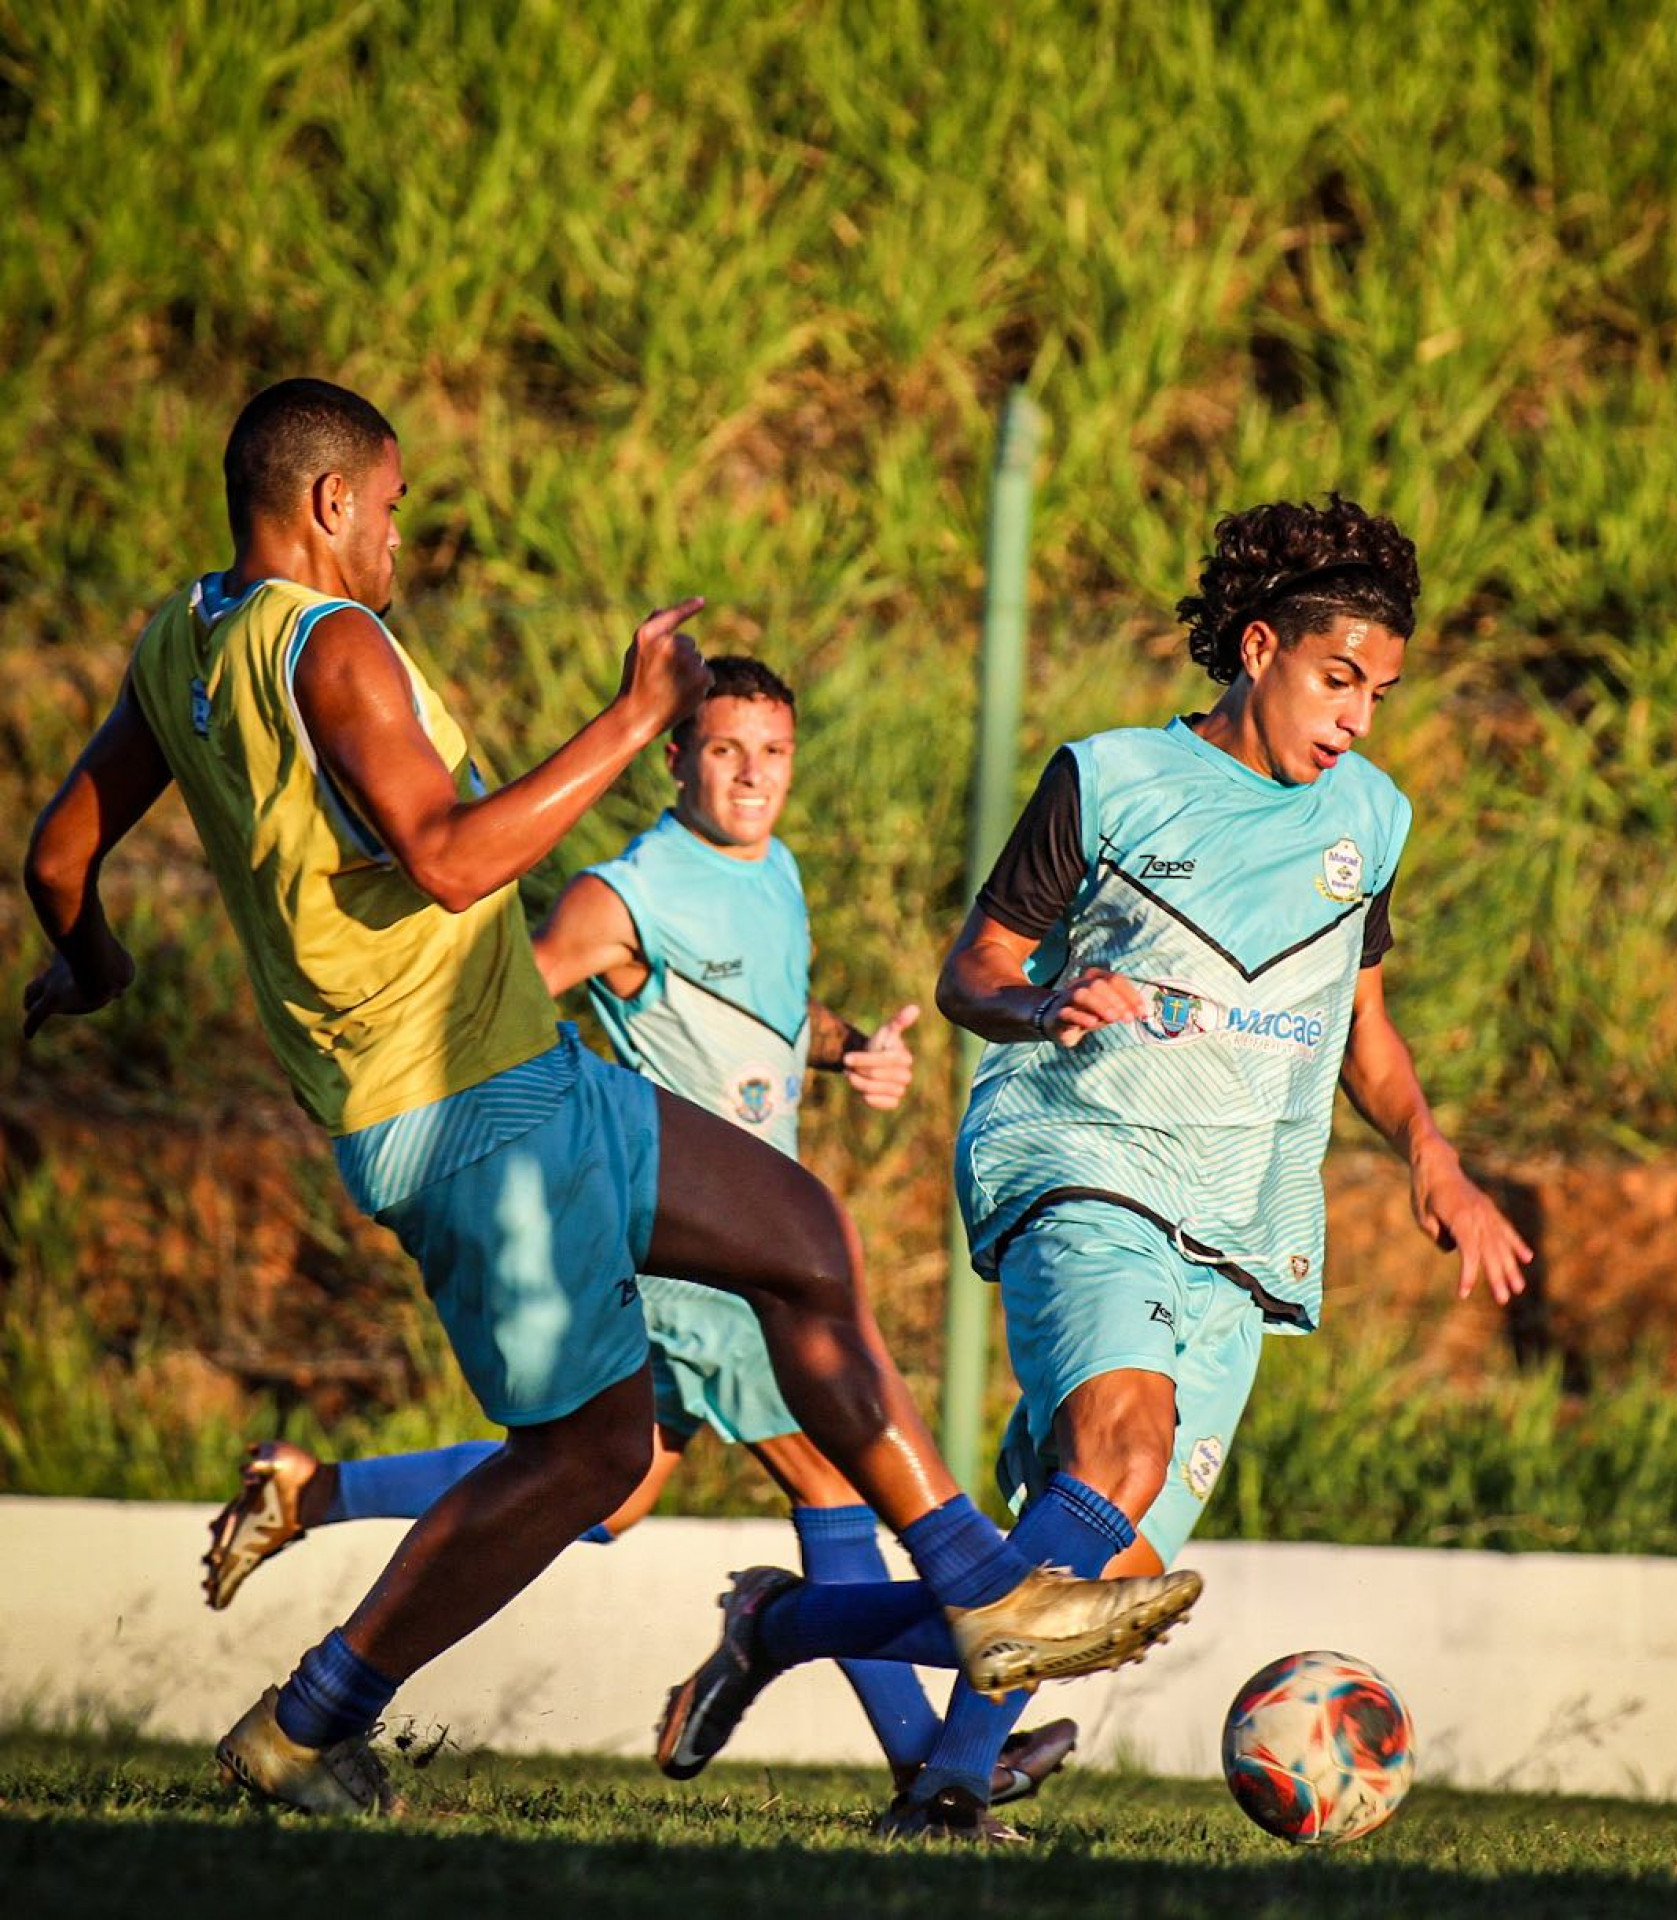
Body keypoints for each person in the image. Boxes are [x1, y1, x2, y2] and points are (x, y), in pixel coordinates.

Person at [19, 377, 1200, 1816]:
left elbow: (56, 860)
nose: (399, 537)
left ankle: (978, 1595)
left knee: (800, 1237)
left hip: (527, 1069)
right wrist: (634, 720)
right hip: (457, 1113)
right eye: (391, 508)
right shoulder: (336, 647)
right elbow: (454, 860)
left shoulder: (180, 639)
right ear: (330, 503)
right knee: (592, 1459)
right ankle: (305, 1724)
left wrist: (89, 964)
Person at [200, 656, 1076, 1808]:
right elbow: (509, 1018)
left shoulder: (778, 872)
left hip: (742, 1236)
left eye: (772, 752)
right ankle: (930, 1761)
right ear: (674, 760)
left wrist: (847, 1044)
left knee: (604, 1493)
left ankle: (319, 1493)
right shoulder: (622, 893)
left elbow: (766, 1009)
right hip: (687, 1247)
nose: (752, 776)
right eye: (723, 750)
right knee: (834, 1489)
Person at [895, 493, 1534, 1839]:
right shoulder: (1110, 777)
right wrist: (1044, 1003)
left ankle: (779, 1627)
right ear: (1258, 650)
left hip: (1243, 1220)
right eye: (1337, 678)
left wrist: (1434, 1155)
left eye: (1382, 690)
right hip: (1087, 1153)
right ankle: (946, 1795)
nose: (1359, 715)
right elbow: (976, 970)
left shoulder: (1374, 820)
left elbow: (1361, 1024)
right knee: (1123, 1449)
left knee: (1101, 1576)